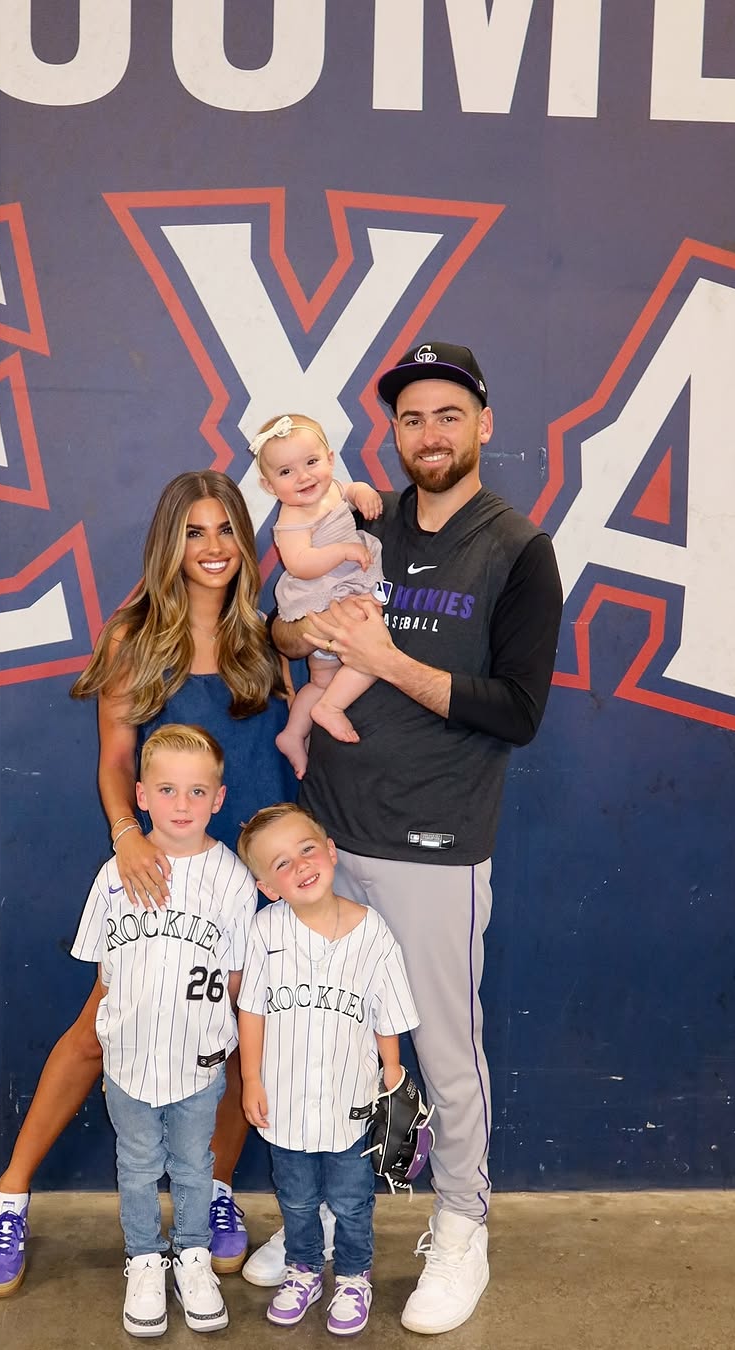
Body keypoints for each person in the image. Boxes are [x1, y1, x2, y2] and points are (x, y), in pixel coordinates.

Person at [260, 340, 564, 1335]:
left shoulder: (517, 548)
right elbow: (277, 628)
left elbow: (518, 710)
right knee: (327, 1040)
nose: (428, 434)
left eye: (447, 414)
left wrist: (386, 659)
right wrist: (310, 635)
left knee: (440, 1047)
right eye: (410, 418)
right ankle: (322, 1227)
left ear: (483, 424)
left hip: (433, 841)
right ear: (390, 432)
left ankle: (463, 1225)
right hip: (328, 833)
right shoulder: (359, 514)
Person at [0, 470, 297, 1297]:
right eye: (195, 531)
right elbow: (117, 760)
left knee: (235, 1036)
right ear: (169, 544)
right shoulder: (135, 635)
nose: (214, 547)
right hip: (162, 868)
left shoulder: (269, 635)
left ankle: (212, 1192)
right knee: (99, 1030)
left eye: (226, 530)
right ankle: (10, 1197)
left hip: (254, 874)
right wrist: (127, 836)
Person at [71, 724, 256, 1336]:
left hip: (198, 1058)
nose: (182, 804)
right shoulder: (114, 874)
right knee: (138, 1163)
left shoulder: (232, 878)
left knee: (195, 1163)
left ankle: (193, 1256)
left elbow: (235, 977)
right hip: (129, 1057)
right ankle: (145, 1259)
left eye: (197, 792)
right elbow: (105, 969)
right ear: (142, 795)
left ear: (219, 798)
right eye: (168, 790)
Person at [235, 803, 419, 1335]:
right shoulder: (265, 930)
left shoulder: (373, 932)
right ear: (268, 887)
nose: (300, 866)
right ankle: (304, 1270)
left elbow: (387, 1011)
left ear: (331, 852)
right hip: (285, 1102)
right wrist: (250, 1078)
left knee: (352, 1201)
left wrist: (392, 1072)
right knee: (296, 1199)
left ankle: (355, 1276)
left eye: (307, 849)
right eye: (281, 864)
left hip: (350, 1102)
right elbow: (252, 1010)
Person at [249, 413, 385, 778]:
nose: (304, 477)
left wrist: (362, 492)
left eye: (311, 462)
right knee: (373, 653)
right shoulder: (291, 518)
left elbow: (350, 491)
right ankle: (330, 708)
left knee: (321, 681)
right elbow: (300, 563)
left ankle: (294, 733)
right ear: (268, 485)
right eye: (286, 472)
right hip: (322, 597)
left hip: (342, 591)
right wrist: (342, 551)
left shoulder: (333, 490)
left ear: (330, 459)